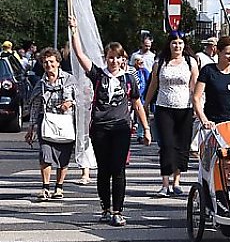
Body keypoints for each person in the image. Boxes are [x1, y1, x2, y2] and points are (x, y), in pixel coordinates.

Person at [68, 15, 151, 227]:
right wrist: (74, 30)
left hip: (121, 127)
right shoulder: (98, 75)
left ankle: (118, 210)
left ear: (123, 58)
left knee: (118, 168)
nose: (114, 61)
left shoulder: (129, 78)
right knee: (104, 169)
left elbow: (137, 103)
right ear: (106, 58)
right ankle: (105, 207)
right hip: (100, 128)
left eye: (117, 57)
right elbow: (79, 55)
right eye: (110, 57)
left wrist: (146, 127)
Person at [144, 31, 199, 197]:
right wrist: (145, 104)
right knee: (167, 145)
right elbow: (153, 84)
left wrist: (198, 107)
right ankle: (165, 182)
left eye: (180, 43)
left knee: (181, 146)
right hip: (164, 107)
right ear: (169, 45)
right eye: (174, 43)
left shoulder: (191, 62)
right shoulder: (160, 62)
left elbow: (195, 86)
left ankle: (177, 180)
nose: (177, 46)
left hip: (185, 108)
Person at [25, 48, 76, 201]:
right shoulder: (41, 83)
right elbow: (35, 105)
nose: (48, 65)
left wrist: (69, 102)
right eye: (45, 62)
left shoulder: (68, 79)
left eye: (51, 62)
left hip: (65, 122)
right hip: (46, 121)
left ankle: (59, 187)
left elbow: (76, 98)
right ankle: (45, 187)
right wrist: (31, 127)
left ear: (58, 63)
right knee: (45, 154)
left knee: (63, 155)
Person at [193, 36, 230, 129]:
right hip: (212, 123)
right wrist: (204, 120)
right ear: (218, 52)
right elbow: (196, 97)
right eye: (228, 53)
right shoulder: (208, 70)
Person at [130, 53, 151, 143]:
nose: (142, 63)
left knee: (141, 115)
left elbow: (148, 83)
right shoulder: (131, 71)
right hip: (131, 97)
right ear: (135, 62)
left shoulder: (144, 71)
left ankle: (140, 134)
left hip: (142, 97)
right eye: (139, 61)